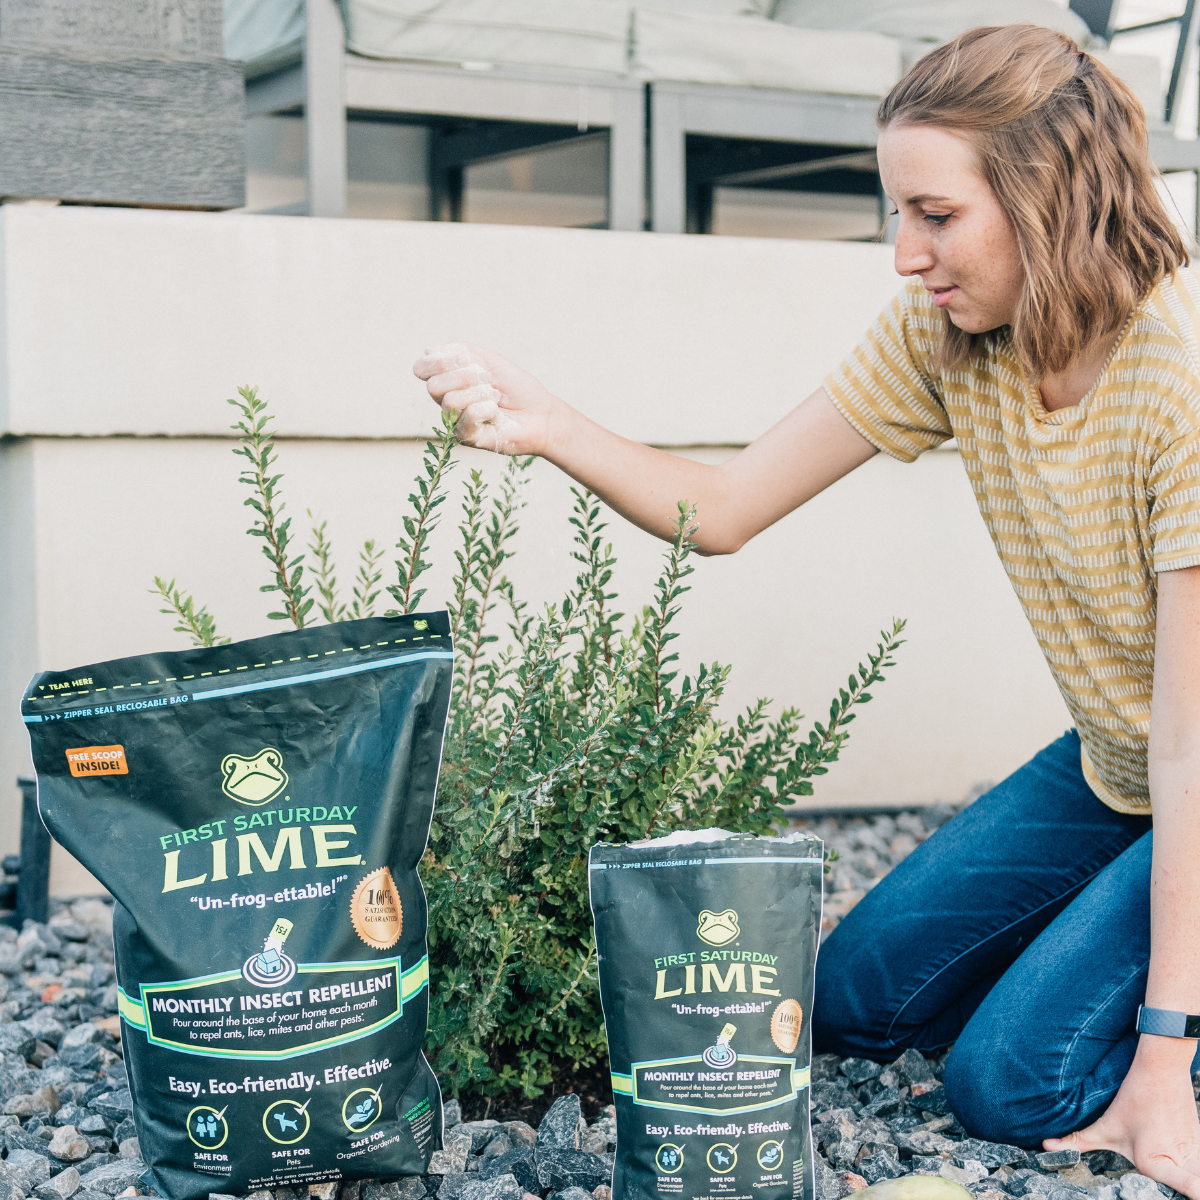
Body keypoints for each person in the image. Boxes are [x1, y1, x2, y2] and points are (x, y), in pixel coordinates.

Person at [414, 23, 1200, 1190]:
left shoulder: (1179, 381)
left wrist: (1160, 1059)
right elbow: (725, 506)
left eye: (935, 216)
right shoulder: (948, 337)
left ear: (1047, 199)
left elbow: (1193, 750)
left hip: (1188, 768)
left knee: (1012, 1086)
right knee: (846, 999)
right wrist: (551, 427)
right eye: (897, 213)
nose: (903, 254)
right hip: (1118, 770)